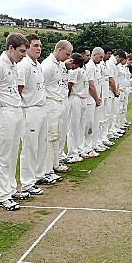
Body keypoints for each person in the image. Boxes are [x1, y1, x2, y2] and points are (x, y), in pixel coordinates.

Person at [0, 33, 30, 211]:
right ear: (10, 48)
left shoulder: (13, 65)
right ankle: (4, 196)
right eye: (21, 51)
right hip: (4, 113)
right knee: (3, 156)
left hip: (16, 112)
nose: (23, 55)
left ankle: (11, 189)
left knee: (12, 154)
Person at [18, 33, 48, 195]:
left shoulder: (38, 65)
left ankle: (38, 175)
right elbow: (19, 91)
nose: (39, 49)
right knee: (30, 147)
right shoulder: (24, 65)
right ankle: (27, 182)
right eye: (35, 46)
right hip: (29, 110)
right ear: (27, 47)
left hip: (41, 108)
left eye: (40, 46)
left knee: (41, 145)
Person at [41, 40, 73, 181]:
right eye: (67, 53)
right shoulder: (47, 65)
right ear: (59, 49)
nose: (68, 57)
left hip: (60, 103)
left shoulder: (60, 65)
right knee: (50, 137)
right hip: (50, 104)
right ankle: (47, 170)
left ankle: (55, 164)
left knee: (58, 135)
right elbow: (41, 88)